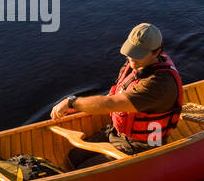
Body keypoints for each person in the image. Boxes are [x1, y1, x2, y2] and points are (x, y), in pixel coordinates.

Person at [49, 23, 183, 168]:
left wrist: (72, 102)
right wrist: (78, 108)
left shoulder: (158, 85)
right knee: (73, 157)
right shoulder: (137, 64)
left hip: (143, 145)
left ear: (157, 52)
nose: (131, 59)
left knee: (83, 169)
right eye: (131, 51)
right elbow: (116, 94)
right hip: (119, 133)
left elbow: (109, 104)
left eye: (138, 54)